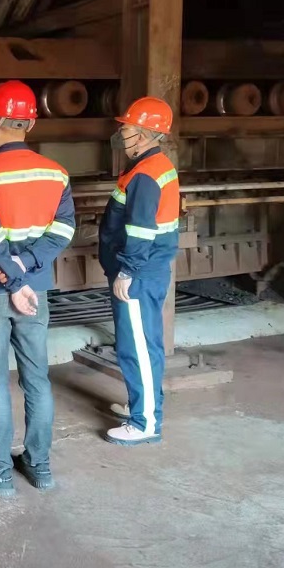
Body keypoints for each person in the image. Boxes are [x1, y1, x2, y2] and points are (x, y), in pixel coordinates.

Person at [0, 80, 75, 498]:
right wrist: (28, 269)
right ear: (31, 124)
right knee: (37, 378)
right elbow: (64, 229)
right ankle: (39, 466)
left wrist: (13, 276)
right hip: (35, 291)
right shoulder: (56, 173)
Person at [99, 97, 180, 446]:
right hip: (148, 269)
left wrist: (127, 272)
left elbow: (141, 230)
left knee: (138, 348)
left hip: (139, 272)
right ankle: (143, 406)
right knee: (145, 344)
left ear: (145, 134)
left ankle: (144, 423)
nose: (121, 134)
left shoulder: (146, 175)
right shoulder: (153, 166)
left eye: (127, 129)